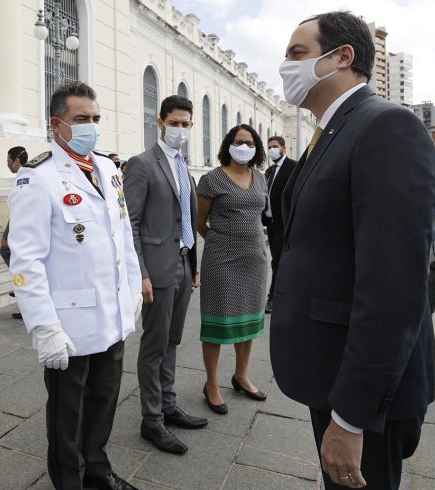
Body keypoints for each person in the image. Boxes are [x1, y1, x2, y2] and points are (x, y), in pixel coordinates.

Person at [271, 11, 435, 489]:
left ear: (342, 57)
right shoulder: (333, 130)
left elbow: (394, 288)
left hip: (364, 394)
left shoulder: (387, 127)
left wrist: (351, 417)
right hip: (332, 369)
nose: (286, 66)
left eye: (297, 54)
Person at [8, 81, 142, 490]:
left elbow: (124, 238)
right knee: (68, 414)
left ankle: (98, 472)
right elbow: (25, 260)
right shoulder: (38, 177)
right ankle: (70, 480)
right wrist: (43, 327)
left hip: (112, 312)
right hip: (68, 323)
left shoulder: (106, 168)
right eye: (81, 119)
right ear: (57, 124)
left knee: (103, 402)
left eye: (96, 119)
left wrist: (133, 291)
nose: (91, 127)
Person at [124, 95, 207, 456]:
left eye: (186, 124)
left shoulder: (183, 167)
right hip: (156, 270)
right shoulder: (143, 165)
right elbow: (131, 223)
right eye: (175, 122)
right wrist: (140, 273)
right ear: (160, 123)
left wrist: (193, 265)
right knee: (154, 345)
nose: (181, 129)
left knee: (172, 340)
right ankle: (152, 420)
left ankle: (168, 404)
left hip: (183, 264)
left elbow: (185, 219)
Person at [196, 124, 268, 416]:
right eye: (238, 141)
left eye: (249, 142)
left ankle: (241, 375)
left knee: (249, 321)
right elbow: (201, 221)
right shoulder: (211, 179)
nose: (244, 146)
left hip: (254, 259)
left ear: (256, 147)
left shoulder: (260, 178)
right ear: (228, 144)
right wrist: (221, 241)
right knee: (216, 323)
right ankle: (211, 383)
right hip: (221, 258)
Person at [261, 136, 296, 314]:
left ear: (283, 148)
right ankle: (283, 294)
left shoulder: (293, 167)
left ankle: (273, 297)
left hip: (285, 223)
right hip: (271, 224)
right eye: (269, 147)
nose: (271, 150)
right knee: (278, 261)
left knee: (278, 262)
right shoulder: (269, 171)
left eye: (275, 146)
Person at [0, 146, 28, 320]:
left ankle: (23, 286)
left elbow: (19, 208)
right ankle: (22, 287)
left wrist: (7, 235)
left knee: (7, 252)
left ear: (17, 160)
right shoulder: (25, 176)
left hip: (22, 230)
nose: (8, 164)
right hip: (23, 229)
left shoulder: (24, 178)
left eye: (9, 161)